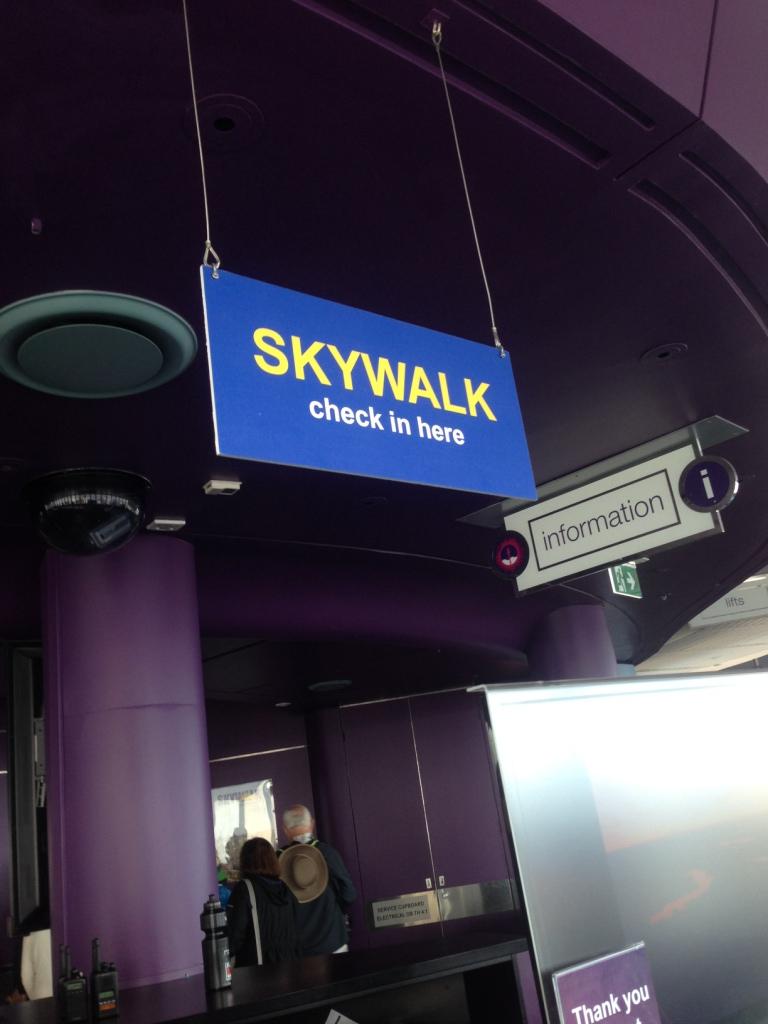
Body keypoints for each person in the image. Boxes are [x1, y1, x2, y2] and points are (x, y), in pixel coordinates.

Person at [279, 804, 356, 955]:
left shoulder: (277, 860)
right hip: (333, 941)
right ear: (312, 824)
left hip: (296, 949)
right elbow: (349, 894)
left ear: (285, 830)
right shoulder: (327, 853)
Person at [227, 837, 301, 966]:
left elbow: (235, 935)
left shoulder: (245, 889)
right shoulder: (285, 889)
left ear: (245, 860)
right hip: (288, 966)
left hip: (255, 969)